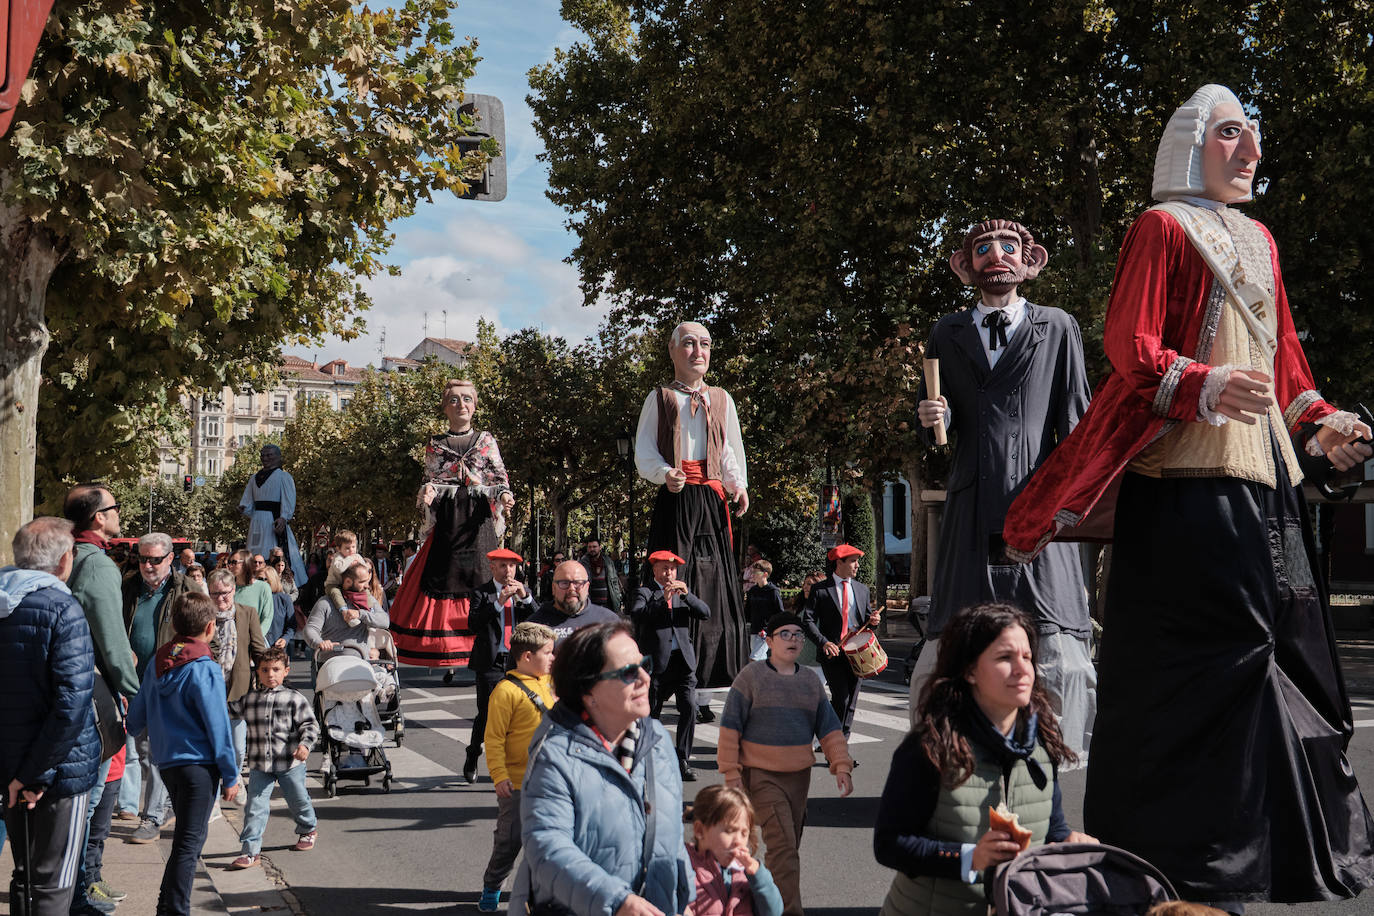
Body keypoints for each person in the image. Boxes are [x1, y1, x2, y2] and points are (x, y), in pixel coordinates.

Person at [1003, 84, 1374, 907]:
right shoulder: (1161, 226)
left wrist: (1327, 425)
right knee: (1195, 678)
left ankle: (1250, 865)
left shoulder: (1264, 241)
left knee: (1291, 666)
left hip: (1267, 489)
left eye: (1255, 136)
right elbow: (1130, 346)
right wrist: (1202, 385)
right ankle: (1182, 874)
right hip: (1182, 491)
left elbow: (1287, 377)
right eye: (1234, 134)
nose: (1253, 152)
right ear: (1194, 143)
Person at [911, 217, 1095, 752]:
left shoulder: (1058, 327)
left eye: (1009, 247)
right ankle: (960, 753)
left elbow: (1077, 421)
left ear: (1029, 261)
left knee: (1049, 627)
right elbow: (938, 436)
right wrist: (927, 418)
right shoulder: (947, 332)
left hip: (1039, 503)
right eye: (984, 248)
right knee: (963, 627)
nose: (997, 256)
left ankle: (1045, 757)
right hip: (971, 508)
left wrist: (1076, 500)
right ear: (964, 265)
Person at [874, 603, 1093, 915]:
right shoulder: (931, 744)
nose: (1022, 669)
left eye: (1027, 657)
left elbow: (1052, 829)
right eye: (1005, 657)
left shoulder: (1041, 742)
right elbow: (890, 844)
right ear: (970, 670)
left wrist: (1068, 840)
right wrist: (970, 858)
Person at [511, 622, 694, 916]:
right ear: (588, 691)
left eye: (644, 665)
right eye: (627, 672)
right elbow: (547, 848)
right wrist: (616, 901)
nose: (645, 678)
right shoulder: (555, 755)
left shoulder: (657, 740)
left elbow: (669, 837)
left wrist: (687, 898)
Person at [636, 321, 750, 694]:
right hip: (677, 497)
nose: (698, 350)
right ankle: (671, 672)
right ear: (672, 350)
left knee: (715, 584)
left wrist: (738, 484)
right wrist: (664, 472)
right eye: (688, 343)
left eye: (705, 343)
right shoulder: (660, 398)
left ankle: (710, 675)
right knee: (673, 582)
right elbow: (644, 451)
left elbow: (729, 447)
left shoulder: (722, 398)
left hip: (713, 500)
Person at [717, 612, 854, 916]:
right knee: (784, 852)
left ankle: (760, 901)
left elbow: (829, 728)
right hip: (761, 777)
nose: (794, 640)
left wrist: (841, 765)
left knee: (788, 850)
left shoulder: (809, 681)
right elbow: (730, 728)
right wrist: (732, 774)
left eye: (798, 635)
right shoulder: (751, 678)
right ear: (768, 640)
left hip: (799, 778)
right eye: (785, 634)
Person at [1, 517, 102, 916]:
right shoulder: (63, 608)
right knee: (53, 886)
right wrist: (35, 775)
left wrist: (19, 774)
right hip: (57, 774)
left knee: (25, 877)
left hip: (12, 771)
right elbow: (71, 705)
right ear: (64, 560)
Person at [126, 591, 240, 915]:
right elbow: (218, 725)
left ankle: (167, 905)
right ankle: (174, 909)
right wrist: (231, 774)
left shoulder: (159, 661)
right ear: (209, 627)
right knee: (189, 845)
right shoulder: (205, 667)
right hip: (199, 766)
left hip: (168, 764)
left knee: (184, 843)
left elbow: (136, 717)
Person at [389, 378, 516, 670]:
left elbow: (499, 478)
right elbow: (429, 480)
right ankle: (448, 645)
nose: (462, 405)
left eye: (467, 399)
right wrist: (428, 492)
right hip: (448, 521)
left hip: (478, 521)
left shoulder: (486, 440)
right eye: (455, 400)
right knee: (442, 575)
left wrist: (505, 495)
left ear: (475, 406)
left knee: (484, 575)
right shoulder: (435, 445)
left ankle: (492, 641)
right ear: (445, 407)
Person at [61, 485, 142, 909]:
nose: (118, 514)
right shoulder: (97, 565)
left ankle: (84, 883)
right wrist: (135, 694)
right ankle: (78, 894)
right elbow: (112, 644)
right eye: (114, 508)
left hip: (69, 691)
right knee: (89, 804)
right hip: (94, 696)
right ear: (98, 518)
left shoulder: (68, 556)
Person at [477, 621, 557, 912]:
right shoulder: (505, 691)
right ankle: (493, 883)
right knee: (509, 842)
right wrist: (499, 776)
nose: (553, 658)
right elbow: (494, 739)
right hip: (518, 783)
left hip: (552, 783)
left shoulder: (551, 684)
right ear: (526, 657)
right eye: (548, 653)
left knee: (549, 842)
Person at [122, 532, 191, 848]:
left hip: (166, 684)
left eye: (154, 559)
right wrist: (122, 652)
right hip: (129, 681)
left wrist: (174, 663)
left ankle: (150, 817)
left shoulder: (186, 591)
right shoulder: (128, 587)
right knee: (134, 749)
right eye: (143, 558)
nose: (147, 565)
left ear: (170, 558)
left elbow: (205, 638)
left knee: (154, 753)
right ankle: (157, 807)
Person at [227, 647, 320, 870]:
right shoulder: (249, 700)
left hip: (290, 763)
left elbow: (310, 725)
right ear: (257, 672)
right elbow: (226, 711)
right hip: (261, 764)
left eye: (276, 670)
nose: (271, 674)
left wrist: (305, 745)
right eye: (265, 670)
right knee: (255, 806)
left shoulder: (293, 698)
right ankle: (250, 851)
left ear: (286, 671)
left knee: (298, 799)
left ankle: (308, 828)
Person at [629, 549, 709, 780]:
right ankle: (648, 756)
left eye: (672, 568)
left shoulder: (682, 592)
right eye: (664, 568)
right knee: (652, 711)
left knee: (689, 708)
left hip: (683, 662)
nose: (669, 572)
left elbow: (705, 613)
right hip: (656, 663)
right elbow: (637, 615)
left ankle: (682, 758)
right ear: (654, 569)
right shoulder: (644, 592)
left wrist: (686, 596)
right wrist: (661, 601)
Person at [463, 548, 538, 782]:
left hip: (517, 662)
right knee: (487, 713)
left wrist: (525, 598)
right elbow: (473, 624)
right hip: (490, 661)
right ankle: (473, 753)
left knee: (520, 714)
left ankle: (513, 764)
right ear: (492, 568)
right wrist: (498, 602)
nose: (508, 571)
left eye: (512, 566)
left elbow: (539, 620)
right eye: (503, 566)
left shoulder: (523, 592)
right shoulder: (481, 593)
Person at [800, 544, 881, 739]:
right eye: (853, 561)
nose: (857, 566)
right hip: (833, 653)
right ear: (839, 562)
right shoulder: (820, 590)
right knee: (841, 699)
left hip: (857, 653)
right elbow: (807, 620)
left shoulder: (862, 590)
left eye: (857, 561)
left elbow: (867, 621)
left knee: (851, 702)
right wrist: (823, 642)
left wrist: (874, 622)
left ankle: (841, 742)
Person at [685, 785, 784, 916]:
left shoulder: (746, 873)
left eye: (744, 833)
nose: (738, 841)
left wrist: (759, 877)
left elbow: (773, 912)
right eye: (729, 831)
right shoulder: (685, 867)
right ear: (700, 830)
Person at [207, 568, 268, 771]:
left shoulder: (247, 613)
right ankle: (216, 788)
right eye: (215, 593)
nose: (220, 598)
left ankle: (232, 779)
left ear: (233, 590)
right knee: (211, 745)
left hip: (239, 689)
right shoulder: (203, 615)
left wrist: (267, 679)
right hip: (209, 687)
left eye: (225, 592)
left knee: (238, 748)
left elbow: (259, 648)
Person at [238, 443, 308, 586]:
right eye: (263, 455)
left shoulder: (283, 476)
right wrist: (243, 508)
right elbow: (248, 502)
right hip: (257, 521)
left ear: (278, 457)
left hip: (272, 521)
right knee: (253, 550)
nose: (265, 458)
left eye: (269, 455)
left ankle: (279, 581)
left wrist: (284, 517)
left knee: (274, 550)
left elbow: (288, 499)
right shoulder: (254, 478)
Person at [305, 561, 389, 661]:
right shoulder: (325, 602)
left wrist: (360, 614)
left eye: (367, 581)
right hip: (330, 661)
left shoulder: (368, 600)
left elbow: (385, 621)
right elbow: (310, 629)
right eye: (362, 582)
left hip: (360, 661)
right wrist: (319, 642)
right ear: (348, 581)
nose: (367, 586)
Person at [526, 559, 622, 646]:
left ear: (587, 587)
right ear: (553, 588)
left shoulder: (609, 621)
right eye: (564, 583)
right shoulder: (534, 626)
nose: (571, 589)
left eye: (578, 583)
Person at [743, 560, 784, 661]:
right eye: (753, 572)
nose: (753, 575)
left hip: (765, 632)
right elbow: (747, 611)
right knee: (761, 661)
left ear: (765, 574)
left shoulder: (773, 591)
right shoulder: (752, 591)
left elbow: (780, 613)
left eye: (756, 573)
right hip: (753, 630)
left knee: (754, 659)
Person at [231, 548, 274, 636]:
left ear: (245, 563)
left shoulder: (263, 587)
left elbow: (267, 618)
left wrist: (255, 639)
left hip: (252, 642)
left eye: (234, 562)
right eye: (229, 562)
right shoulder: (228, 588)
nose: (230, 565)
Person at [580, 537, 623, 614]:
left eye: (594, 547)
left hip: (608, 605)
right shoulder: (583, 563)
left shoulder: (608, 561)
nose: (592, 549)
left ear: (600, 547)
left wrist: (617, 599)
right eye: (590, 547)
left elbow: (614, 582)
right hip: (591, 605)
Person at [322, 529, 362, 611]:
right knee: (335, 593)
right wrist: (350, 559)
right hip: (334, 584)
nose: (351, 550)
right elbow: (340, 569)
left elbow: (364, 568)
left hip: (349, 584)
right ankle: (344, 610)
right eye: (347, 548)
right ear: (339, 549)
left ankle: (369, 607)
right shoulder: (338, 557)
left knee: (364, 590)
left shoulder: (356, 556)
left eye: (353, 547)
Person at [263, 566, 296, 648]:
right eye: (259, 579)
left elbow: (291, 626)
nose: (262, 582)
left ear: (273, 580)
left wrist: (285, 639)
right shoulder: (253, 599)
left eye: (265, 579)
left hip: (276, 649)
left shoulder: (284, 599)